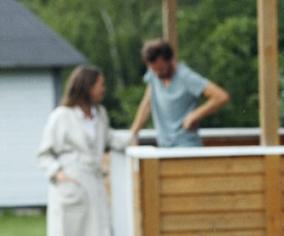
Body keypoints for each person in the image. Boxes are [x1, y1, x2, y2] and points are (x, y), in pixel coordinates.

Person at [37, 65, 130, 236]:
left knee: (99, 229)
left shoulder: (100, 114)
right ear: (87, 86)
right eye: (100, 85)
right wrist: (59, 175)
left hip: (94, 183)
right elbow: (44, 154)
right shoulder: (62, 116)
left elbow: (110, 138)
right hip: (71, 185)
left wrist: (136, 138)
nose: (104, 89)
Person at [129, 39, 230, 147]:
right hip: (164, 146)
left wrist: (195, 115)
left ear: (170, 60)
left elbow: (221, 96)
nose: (158, 75)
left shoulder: (186, 77)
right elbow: (147, 104)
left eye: (162, 69)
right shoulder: (153, 75)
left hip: (186, 147)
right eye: (154, 70)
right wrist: (133, 133)